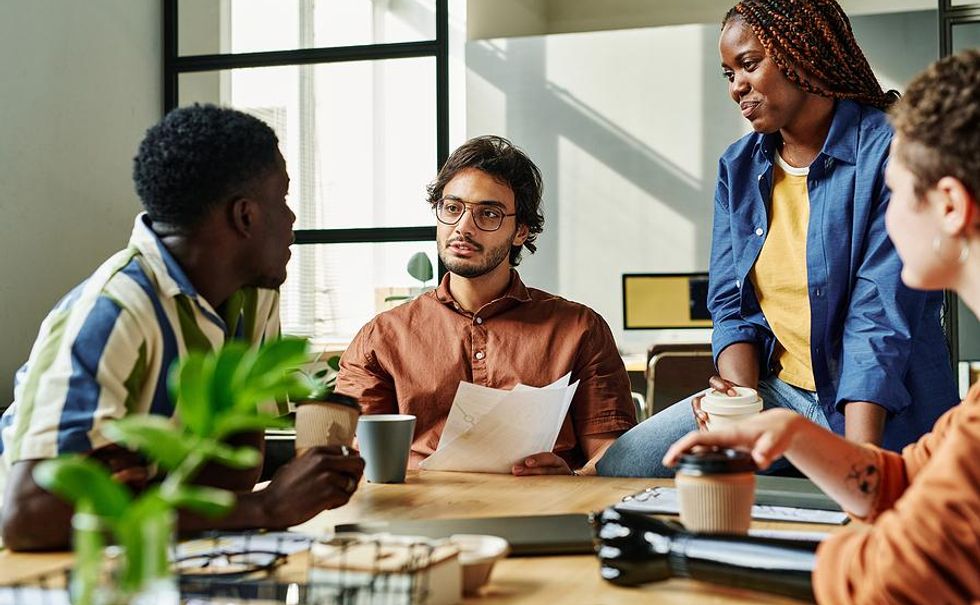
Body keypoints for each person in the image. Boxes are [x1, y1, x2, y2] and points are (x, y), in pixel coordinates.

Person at [598, 0, 958, 477]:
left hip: (882, 407)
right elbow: (731, 303)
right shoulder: (739, 167)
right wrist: (741, 407)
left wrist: (861, 466)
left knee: (855, 517)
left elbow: (879, 318)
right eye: (728, 73)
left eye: (749, 64)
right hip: (778, 393)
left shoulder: (888, 152)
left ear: (803, 56)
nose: (736, 87)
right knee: (626, 467)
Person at [658, 47, 980, 604]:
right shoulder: (971, 419)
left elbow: (892, 574)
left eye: (898, 191)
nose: (886, 209)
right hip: (786, 396)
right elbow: (906, 481)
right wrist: (794, 431)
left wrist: (678, 554)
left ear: (949, 205)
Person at [0, 104, 364, 551]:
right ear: (245, 216)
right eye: (283, 199)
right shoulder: (112, 313)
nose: (291, 220)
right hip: (39, 571)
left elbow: (234, 471)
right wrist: (265, 508)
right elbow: (29, 519)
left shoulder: (253, 297)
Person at [338, 135, 637, 475]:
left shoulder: (579, 328)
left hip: (542, 515)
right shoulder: (381, 338)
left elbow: (611, 457)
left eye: (488, 214)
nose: (463, 228)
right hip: (421, 518)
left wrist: (572, 479)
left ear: (521, 231)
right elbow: (354, 459)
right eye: (452, 208)